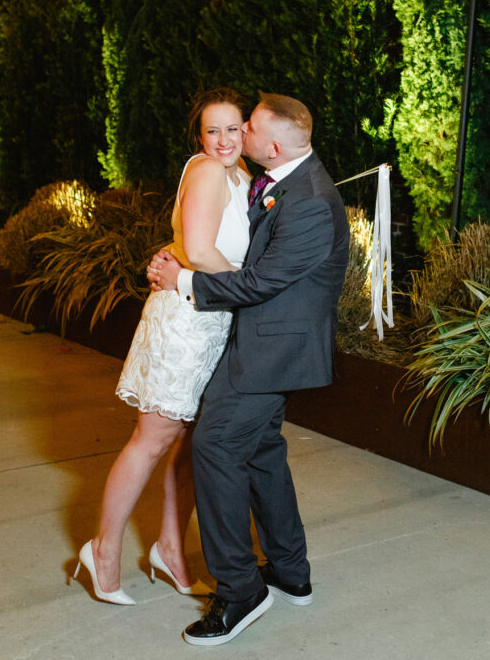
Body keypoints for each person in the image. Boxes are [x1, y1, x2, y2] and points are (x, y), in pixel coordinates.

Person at [148, 93, 349, 645]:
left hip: (271, 350)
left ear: (273, 145)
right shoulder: (288, 180)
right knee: (260, 451)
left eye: (249, 129)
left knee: (213, 446)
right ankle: (289, 571)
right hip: (266, 340)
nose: (240, 136)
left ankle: (240, 590)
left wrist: (183, 282)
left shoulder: (306, 198)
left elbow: (260, 283)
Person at [73, 88, 251, 605]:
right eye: (212, 130)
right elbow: (195, 249)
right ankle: (103, 550)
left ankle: (171, 549)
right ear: (200, 136)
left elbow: (192, 245)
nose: (223, 139)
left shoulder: (240, 176)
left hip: (214, 320)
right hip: (186, 323)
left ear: (247, 131)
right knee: (152, 440)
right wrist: (253, 283)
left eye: (232, 128)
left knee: (196, 444)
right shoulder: (208, 170)